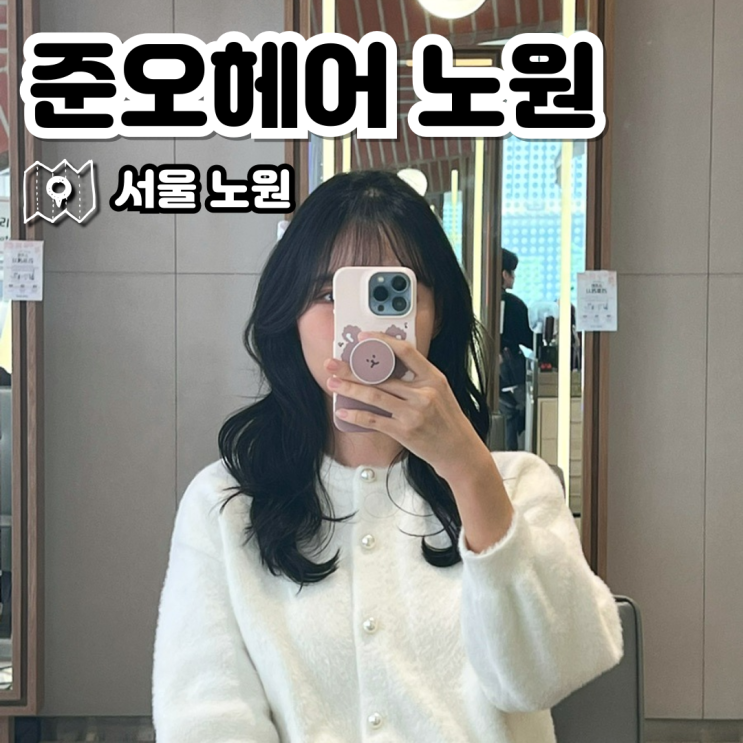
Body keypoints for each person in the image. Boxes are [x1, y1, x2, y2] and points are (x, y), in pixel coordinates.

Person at [152, 171, 623, 743]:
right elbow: (206, 717)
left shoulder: (518, 486)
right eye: (330, 295)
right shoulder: (224, 504)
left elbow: (545, 679)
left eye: (390, 293)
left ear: (435, 312)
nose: (361, 329)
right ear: (290, 314)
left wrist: (468, 471)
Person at [498, 248, 533, 450]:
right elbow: (529, 338)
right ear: (505, 274)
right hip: (511, 370)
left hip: (494, 369)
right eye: (513, 272)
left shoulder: (476, 300)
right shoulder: (513, 304)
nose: (514, 277)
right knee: (519, 410)